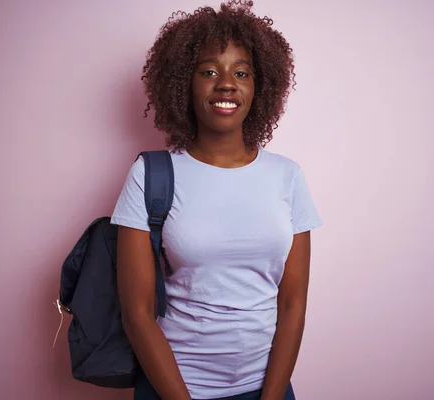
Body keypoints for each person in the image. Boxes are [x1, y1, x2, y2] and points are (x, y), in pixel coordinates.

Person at [111, 1, 322, 399]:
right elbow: (137, 314)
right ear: (182, 83)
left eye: (241, 72)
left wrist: (273, 396)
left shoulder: (287, 176)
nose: (227, 83)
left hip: (266, 389)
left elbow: (292, 303)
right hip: (174, 388)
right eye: (209, 71)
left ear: (260, 86)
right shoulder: (151, 174)